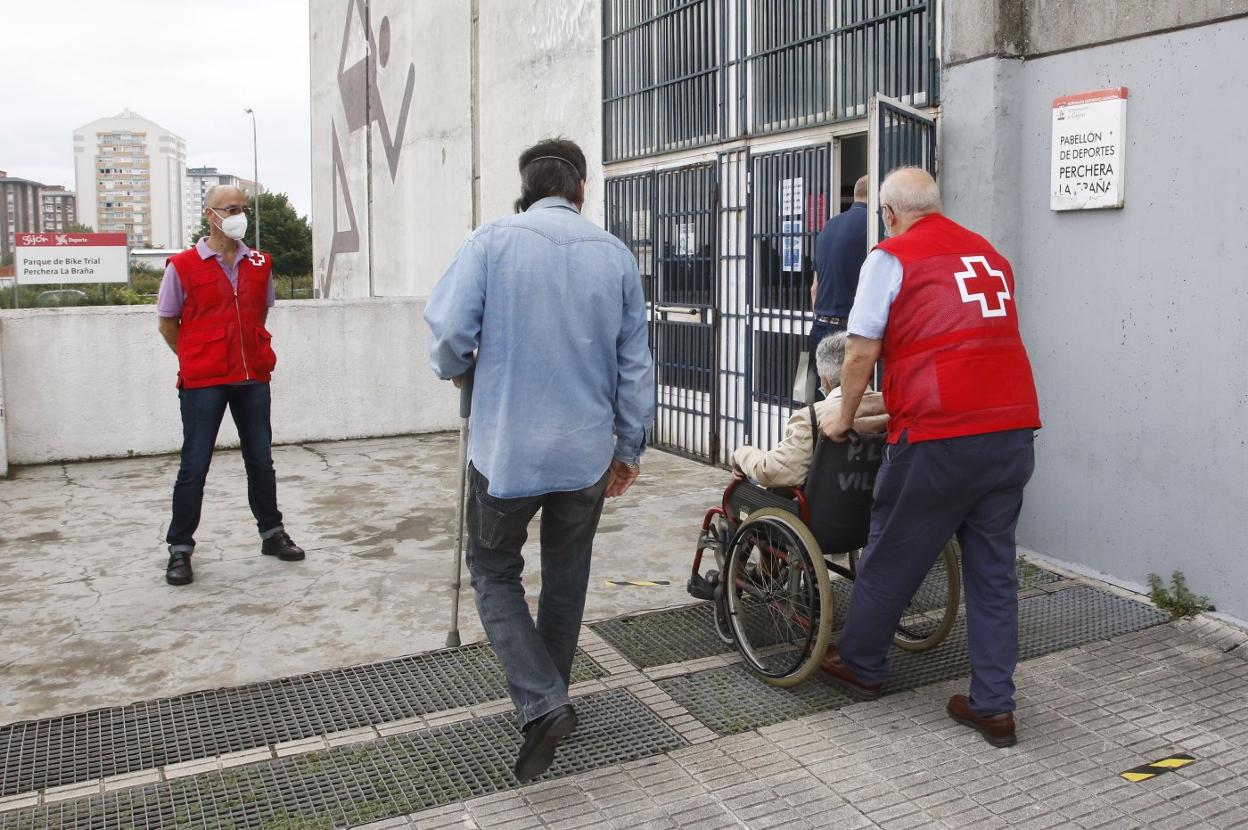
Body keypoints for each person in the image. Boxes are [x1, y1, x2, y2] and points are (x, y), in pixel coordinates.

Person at [425, 138, 653, 782]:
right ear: (581, 191)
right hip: (586, 452)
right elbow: (635, 366)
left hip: (507, 450)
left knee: (493, 568)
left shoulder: (490, 241)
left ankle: (543, 701)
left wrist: (455, 366)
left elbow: (449, 334)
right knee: (566, 575)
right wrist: (629, 447)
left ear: (525, 191)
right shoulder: (615, 256)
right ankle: (551, 698)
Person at [819, 167, 1041, 748]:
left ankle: (861, 663)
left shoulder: (892, 258)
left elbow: (860, 351)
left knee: (891, 554)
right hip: (1011, 429)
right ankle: (994, 706)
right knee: (994, 576)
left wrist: (843, 417)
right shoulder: (989, 254)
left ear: (889, 213)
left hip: (939, 434)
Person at [156, 186, 304, 587]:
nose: (240, 215)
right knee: (195, 465)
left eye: (243, 208)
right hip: (204, 380)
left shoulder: (260, 263)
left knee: (261, 460)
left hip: (252, 377)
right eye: (231, 209)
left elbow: (258, 315)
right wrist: (195, 357)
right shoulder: (182, 266)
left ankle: (272, 533)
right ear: (210, 215)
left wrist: (246, 350)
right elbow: (167, 323)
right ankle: (180, 548)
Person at [731, 332, 886, 488]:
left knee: (746, 487)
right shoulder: (889, 406)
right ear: (869, 374)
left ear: (824, 381)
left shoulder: (810, 417)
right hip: (877, 497)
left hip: (825, 500)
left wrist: (741, 454)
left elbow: (774, 472)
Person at [809, 175, 869, 370]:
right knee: (853, 388)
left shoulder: (828, 226)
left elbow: (814, 288)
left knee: (824, 387)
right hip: (850, 330)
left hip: (820, 328)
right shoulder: (873, 226)